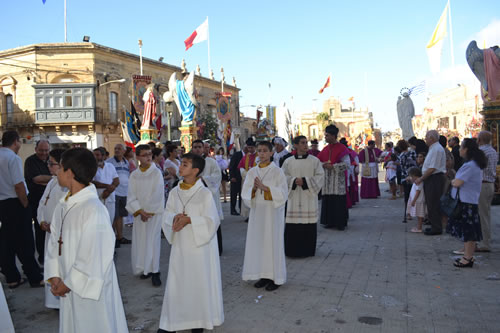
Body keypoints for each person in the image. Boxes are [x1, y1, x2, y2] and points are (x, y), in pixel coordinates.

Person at [44, 148, 128, 333]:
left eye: (61, 167)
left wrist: (69, 283)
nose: (57, 171)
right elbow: (54, 244)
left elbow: (94, 256)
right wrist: (55, 275)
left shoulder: (93, 209)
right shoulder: (63, 206)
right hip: (66, 282)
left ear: (70, 173)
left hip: (90, 290)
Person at [158, 153, 223, 333]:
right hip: (180, 246)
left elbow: (212, 221)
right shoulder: (174, 192)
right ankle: (172, 321)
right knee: (178, 282)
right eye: (181, 163)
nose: (180, 166)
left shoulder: (204, 194)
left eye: (185, 164)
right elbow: (167, 214)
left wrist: (190, 220)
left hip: (200, 248)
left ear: (195, 171)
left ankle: (199, 321)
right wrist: (174, 218)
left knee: (198, 284)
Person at [241, 141, 288, 291]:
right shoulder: (252, 172)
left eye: (264, 151)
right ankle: (263, 275)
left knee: (272, 243)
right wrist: (254, 190)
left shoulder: (277, 172)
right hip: (258, 214)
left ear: (271, 153)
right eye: (259, 151)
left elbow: (283, 193)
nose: (261, 153)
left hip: (272, 214)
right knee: (259, 243)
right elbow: (245, 193)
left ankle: (275, 278)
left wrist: (266, 188)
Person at [0, 131, 43, 289]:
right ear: (16, 142)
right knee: (25, 241)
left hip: (3, 203)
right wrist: (25, 204)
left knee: (7, 241)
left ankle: (12, 276)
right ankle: (34, 276)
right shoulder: (13, 158)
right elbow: (18, 185)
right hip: (16, 202)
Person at [126, 144, 164, 287]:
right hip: (140, 214)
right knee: (141, 241)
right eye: (145, 155)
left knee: (153, 241)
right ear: (138, 157)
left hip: (153, 214)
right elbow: (131, 195)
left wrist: (147, 212)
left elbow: (158, 194)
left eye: (150, 154)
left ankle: (155, 270)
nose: (148, 157)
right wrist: (139, 211)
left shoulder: (156, 173)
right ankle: (144, 268)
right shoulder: (134, 175)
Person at [447, 139, 487, 267]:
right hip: (469, 200)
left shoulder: (470, 165)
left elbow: (458, 182)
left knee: (468, 231)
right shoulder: (473, 164)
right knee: (468, 230)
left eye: (461, 148)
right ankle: (468, 256)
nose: (459, 150)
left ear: (466, 150)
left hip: (466, 201)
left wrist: (452, 182)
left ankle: (468, 257)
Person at [282, 136, 324, 258]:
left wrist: (305, 182)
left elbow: (320, 176)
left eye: (306, 143)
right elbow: (282, 176)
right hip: (293, 197)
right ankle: (291, 251)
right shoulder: (288, 161)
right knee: (293, 225)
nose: (306, 145)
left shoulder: (314, 161)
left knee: (308, 224)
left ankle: (308, 250)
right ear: (295, 145)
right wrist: (294, 180)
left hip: (308, 198)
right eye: (302, 143)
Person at [37, 148, 67, 309]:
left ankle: (61, 299)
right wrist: (42, 220)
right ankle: (53, 300)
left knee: (59, 264)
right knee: (51, 262)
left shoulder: (66, 186)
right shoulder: (52, 181)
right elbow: (43, 203)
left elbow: (64, 210)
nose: (49, 166)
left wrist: (54, 225)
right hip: (49, 231)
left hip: (59, 233)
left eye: (52, 163)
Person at [192, 140, 224, 254]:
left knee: (212, 220)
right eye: (195, 147)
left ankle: (217, 248)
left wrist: (204, 179)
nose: (197, 149)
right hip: (194, 198)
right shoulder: (188, 162)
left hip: (209, 195)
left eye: (199, 147)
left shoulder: (211, 162)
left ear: (203, 148)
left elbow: (217, 176)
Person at [318, 125, 351, 230]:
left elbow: (347, 164)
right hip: (327, 181)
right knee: (328, 201)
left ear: (333, 135)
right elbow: (318, 162)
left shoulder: (342, 148)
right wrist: (323, 165)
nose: (325, 137)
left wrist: (333, 166)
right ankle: (329, 222)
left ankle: (340, 223)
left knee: (338, 202)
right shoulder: (325, 149)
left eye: (327, 135)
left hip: (337, 180)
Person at [24, 139, 52, 264]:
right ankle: (42, 258)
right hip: (36, 201)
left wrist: (47, 180)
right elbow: (37, 179)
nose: (44, 153)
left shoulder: (50, 161)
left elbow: (44, 179)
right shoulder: (30, 161)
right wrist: (54, 178)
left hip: (51, 202)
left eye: (46, 150)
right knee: (40, 230)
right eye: (41, 150)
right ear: (36, 149)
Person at [415, 130, 446, 236]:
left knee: (433, 203)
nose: (425, 139)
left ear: (432, 138)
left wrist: (421, 178)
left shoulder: (436, 149)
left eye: (426, 137)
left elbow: (433, 168)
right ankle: (434, 225)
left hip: (434, 178)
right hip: (431, 178)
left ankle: (437, 228)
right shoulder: (433, 148)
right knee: (431, 203)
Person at [476, 131, 498, 253]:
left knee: (482, 215)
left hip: (483, 184)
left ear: (479, 140)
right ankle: (485, 239)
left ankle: (484, 243)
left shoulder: (481, 152)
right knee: (486, 213)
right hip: (490, 184)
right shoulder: (493, 151)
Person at [107, 144, 132, 248]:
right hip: (115, 192)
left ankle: (120, 237)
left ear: (124, 151)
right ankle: (112, 238)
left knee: (120, 216)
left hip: (124, 192)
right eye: (115, 148)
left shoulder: (126, 162)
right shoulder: (110, 162)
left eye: (119, 149)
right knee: (114, 216)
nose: (117, 150)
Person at [92, 147, 120, 222]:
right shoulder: (91, 167)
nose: (95, 157)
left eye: (97, 155)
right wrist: (108, 186)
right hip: (97, 198)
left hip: (110, 198)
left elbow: (116, 180)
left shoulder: (110, 166)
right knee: (99, 222)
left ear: (104, 156)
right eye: (94, 155)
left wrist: (109, 190)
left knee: (110, 220)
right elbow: (92, 182)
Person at [397, 139, 417, 223]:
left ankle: (408, 213)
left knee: (407, 196)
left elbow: (402, 167)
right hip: (414, 176)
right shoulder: (412, 152)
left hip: (405, 177)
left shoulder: (401, 155)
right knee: (414, 195)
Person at [238, 138, 257, 220]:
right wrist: (244, 173)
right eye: (248, 148)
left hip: (256, 180)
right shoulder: (246, 156)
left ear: (255, 147)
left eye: (251, 148)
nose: (250, 149)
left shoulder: (259, 156)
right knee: (247, 196)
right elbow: (241, 167)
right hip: (246, 179)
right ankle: (248, 215)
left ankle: (255, 214)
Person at [406, 167, 426, 233]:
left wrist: (414, 200)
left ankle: (419, 228)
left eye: (411, 176)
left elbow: (418, 192)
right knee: (418, 215)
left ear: (415, 176)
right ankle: (418, 227)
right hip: (417, 201)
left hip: (418, 201)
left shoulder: (418, 182)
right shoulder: (416, 181)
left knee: (420, 215)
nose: (410, 178)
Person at [228, 146, 244, 215]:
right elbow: (231, 166)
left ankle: (241, 209)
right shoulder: (237, 154)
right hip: (235, 178)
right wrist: (232, 176)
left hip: (243, 179)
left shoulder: (249, 155)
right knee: (234, 195)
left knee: (242, 195)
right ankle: (233, 209)